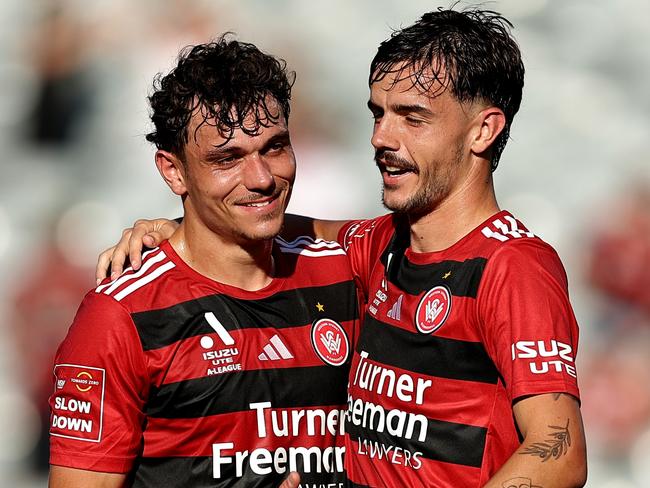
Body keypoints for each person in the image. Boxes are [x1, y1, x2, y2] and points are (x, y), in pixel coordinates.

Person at [98, 8, 587, 488]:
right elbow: (271, 223)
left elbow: (559, 454)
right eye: (379, 113)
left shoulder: (512, 266)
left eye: (412, 118)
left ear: (483, 129)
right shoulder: (379, 246)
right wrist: (181, 227)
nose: (381, 138)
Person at [49, 37, 359, 488]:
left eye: (274, 147)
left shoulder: (344, 273)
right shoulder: (121, 315)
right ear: (173, 171)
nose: (261, 179)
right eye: (226, 159)